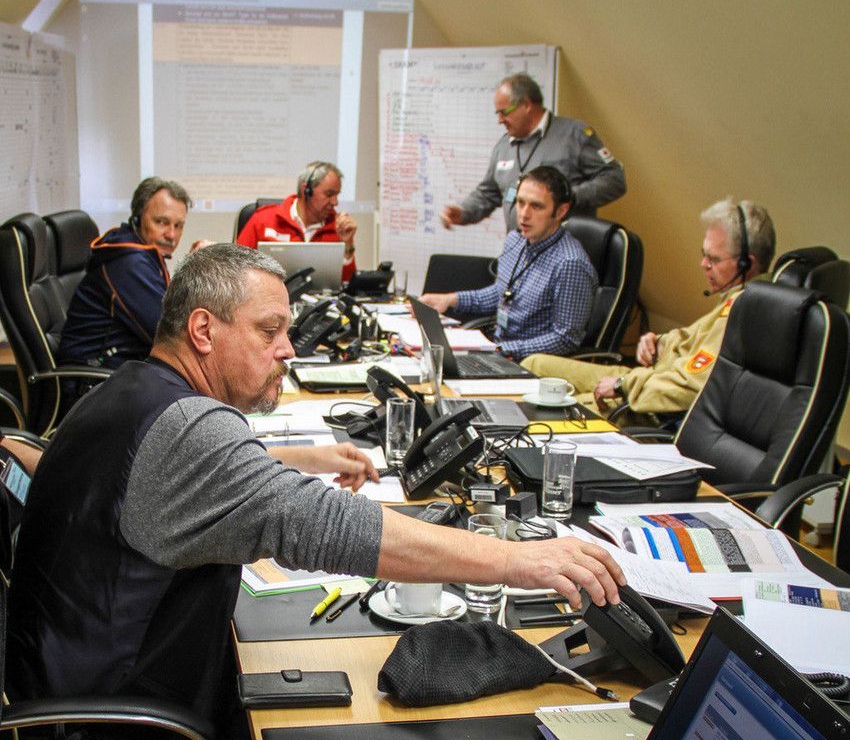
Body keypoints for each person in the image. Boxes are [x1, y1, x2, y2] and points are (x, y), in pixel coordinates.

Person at [7, 243, 625, 738]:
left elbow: (168, 477)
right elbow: (331, 527)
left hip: (70, 675)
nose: (288, 349)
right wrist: (520, 559)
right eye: (269, 330)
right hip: (116, 714)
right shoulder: (190, 433)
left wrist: (303, 457)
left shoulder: (128, 390)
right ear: (203, 330)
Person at [522, 198, 776, 415]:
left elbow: (688, 388)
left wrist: (623, 384)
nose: (703, 265)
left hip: (650, 401)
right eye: (704, 254)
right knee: (534, 364)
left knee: (552, 408)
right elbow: (690, 340)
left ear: (747, 264)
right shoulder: (735, 297)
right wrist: (659, 343)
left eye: (714, 259)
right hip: (647, 379)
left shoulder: (745, 311)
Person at [421, 166, 597, 361]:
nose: (524, 214)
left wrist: (501, 350)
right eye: (520, 203)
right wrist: (450, 300)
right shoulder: (516, 240)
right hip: (499, 352)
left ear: (561, 211)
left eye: (536, 206)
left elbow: (565, 340)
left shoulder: (570, 264)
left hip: (529, 364)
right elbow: (501, 294)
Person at [441, 72, 626, 234]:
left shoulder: (574, 135)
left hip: (563, 253)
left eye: (504, 112)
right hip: (519, 253)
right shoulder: (504, 146)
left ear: (526, 104)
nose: (500, 120)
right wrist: (463, 211)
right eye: (498, 114)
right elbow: (488, 193)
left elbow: (614, 179)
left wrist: (570, 196)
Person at [57, 176, 196, 370]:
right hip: (96, 377)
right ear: (137, 218)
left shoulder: (141, 252)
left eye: (178, 225)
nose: (171, 235)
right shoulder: (129, 263)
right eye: (161, 222)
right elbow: (171, 337)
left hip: (123, 366)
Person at [235, 161, 357, 283]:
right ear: (306, 190)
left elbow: (348, 283)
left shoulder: (338, 227)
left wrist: (348, 245)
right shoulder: (263, 219)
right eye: (329, 194)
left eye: (337, 195)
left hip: (322, 295)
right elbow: (236, 268)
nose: (335, 202)